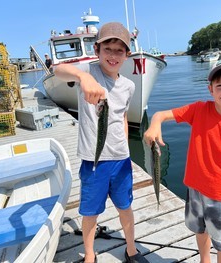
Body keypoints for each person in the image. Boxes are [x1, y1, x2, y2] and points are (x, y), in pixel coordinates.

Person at [143, 56, 221, 263]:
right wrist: (154, 124)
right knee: (200, 229)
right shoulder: (198, 110)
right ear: (210, 89)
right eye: (220, 86)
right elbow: (161, 114)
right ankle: (204, 260)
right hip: (195, 189)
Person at [54, 22, 149, 263]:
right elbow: (58, 70)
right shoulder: (89, 70)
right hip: (93, 160)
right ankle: (89, 254)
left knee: (125, 207)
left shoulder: (128, 86)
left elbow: (123, 117)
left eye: (120, 50)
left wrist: (126, 148)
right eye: (108, 48)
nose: (114, 55)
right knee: (90, 212)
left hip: (120, 159)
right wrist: (82, 76)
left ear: (127, 55)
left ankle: (131, 250)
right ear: (97, 50)